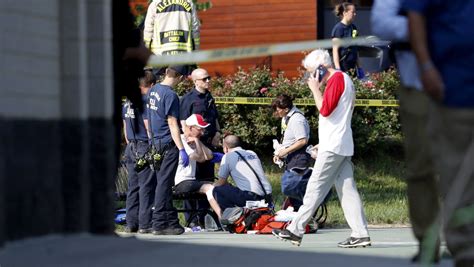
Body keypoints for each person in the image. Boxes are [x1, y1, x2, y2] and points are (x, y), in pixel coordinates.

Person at [273, 49, 370, 248]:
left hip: (333, 146)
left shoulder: (336, 79)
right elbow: (343, 113)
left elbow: (325, 110)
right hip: (339, 143)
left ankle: (294, 230)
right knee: (348, 190)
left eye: (310, 71)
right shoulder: (345, 80)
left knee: (314, 188)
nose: (310, 76)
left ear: (320, 67)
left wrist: (315, 89)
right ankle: (360, 233)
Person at [402, 1, 474, 266]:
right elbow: (415, 16)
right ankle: (465, 249)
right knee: (458, 174)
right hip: (455, 91)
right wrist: (426, 67)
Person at [371, 0, 440, 263]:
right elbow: (382, 22)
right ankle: (428, 243)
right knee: (420, 170)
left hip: (464, 83)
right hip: (416, 87)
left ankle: (465, 242)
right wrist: (428, 27)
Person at [147, 65, 191, 235]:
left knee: (161, 183)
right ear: (179, 77)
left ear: (166, 72)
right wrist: (181, 149)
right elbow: (173, 123)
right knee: (164, 185)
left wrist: (152, 140)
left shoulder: (154, 90)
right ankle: (158, 222)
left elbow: (149, 119)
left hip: (156, 143)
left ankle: (170, 222)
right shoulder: (171, 95)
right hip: (167, 144)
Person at [180, 68, 221, 226]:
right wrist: (190, 142)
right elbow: (184, 122)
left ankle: (205, 218)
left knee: (207, 179)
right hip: (195, 144)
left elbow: (215, 116)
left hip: (209, 144)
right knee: (193, 181)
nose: (208, 81)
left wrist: (217, 132)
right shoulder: (188, 99)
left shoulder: (209, 96)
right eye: (204, 79)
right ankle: (191, 220)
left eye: (209, 78)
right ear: (195, 81)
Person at [122, 70, 157, 234]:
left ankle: (131, 223)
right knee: (146, 186)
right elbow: (147, 124)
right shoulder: (145, 101)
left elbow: (125, 125)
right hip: (144, 145)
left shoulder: (128, 102)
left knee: (133, 187)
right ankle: (145, 224)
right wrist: (152, 143)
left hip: (131, 147)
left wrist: (130, 144)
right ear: (151, 85)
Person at [212, 135, 273, 218]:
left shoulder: (227, 157)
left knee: (217, 190)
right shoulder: (252, 153)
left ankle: (232, 220)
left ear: (225, 148)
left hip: (250, 197)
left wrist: (210, 187)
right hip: (267, 196)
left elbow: (221, 182)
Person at [173, 114, 221, 217]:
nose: (203, 132)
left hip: (191, 181)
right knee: (209, 188)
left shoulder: (194, 140)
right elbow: (200, 158)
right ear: (190, 128)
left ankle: (224, 218)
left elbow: (209, 156)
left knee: (221, 187)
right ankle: (222, 218)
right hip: (181, 182)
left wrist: (197, 141)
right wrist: (196, 141)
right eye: (200, 129)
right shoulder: (181, 140)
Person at [271, 95, 311, 211]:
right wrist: (280, 153)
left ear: (286, 109)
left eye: (278, 109)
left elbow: (303, 140)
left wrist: (285, 151)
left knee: (292, 187)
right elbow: (289, 140)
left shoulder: (297, 119)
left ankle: (305, 216)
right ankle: (299, 216)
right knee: (292, 190)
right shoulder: (287, 118)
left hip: (299, 157)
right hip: (291, 157)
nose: (276, 112)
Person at [331, 2, 359, 73]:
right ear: (344, 13)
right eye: (353, 12)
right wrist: (338, 68)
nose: (355, 14)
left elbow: (355, 49)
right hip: (343, 68)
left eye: (355, 12)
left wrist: (359, 67)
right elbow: (335, 50)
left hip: (353, 69)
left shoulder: (354, 28)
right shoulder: (338, 29)